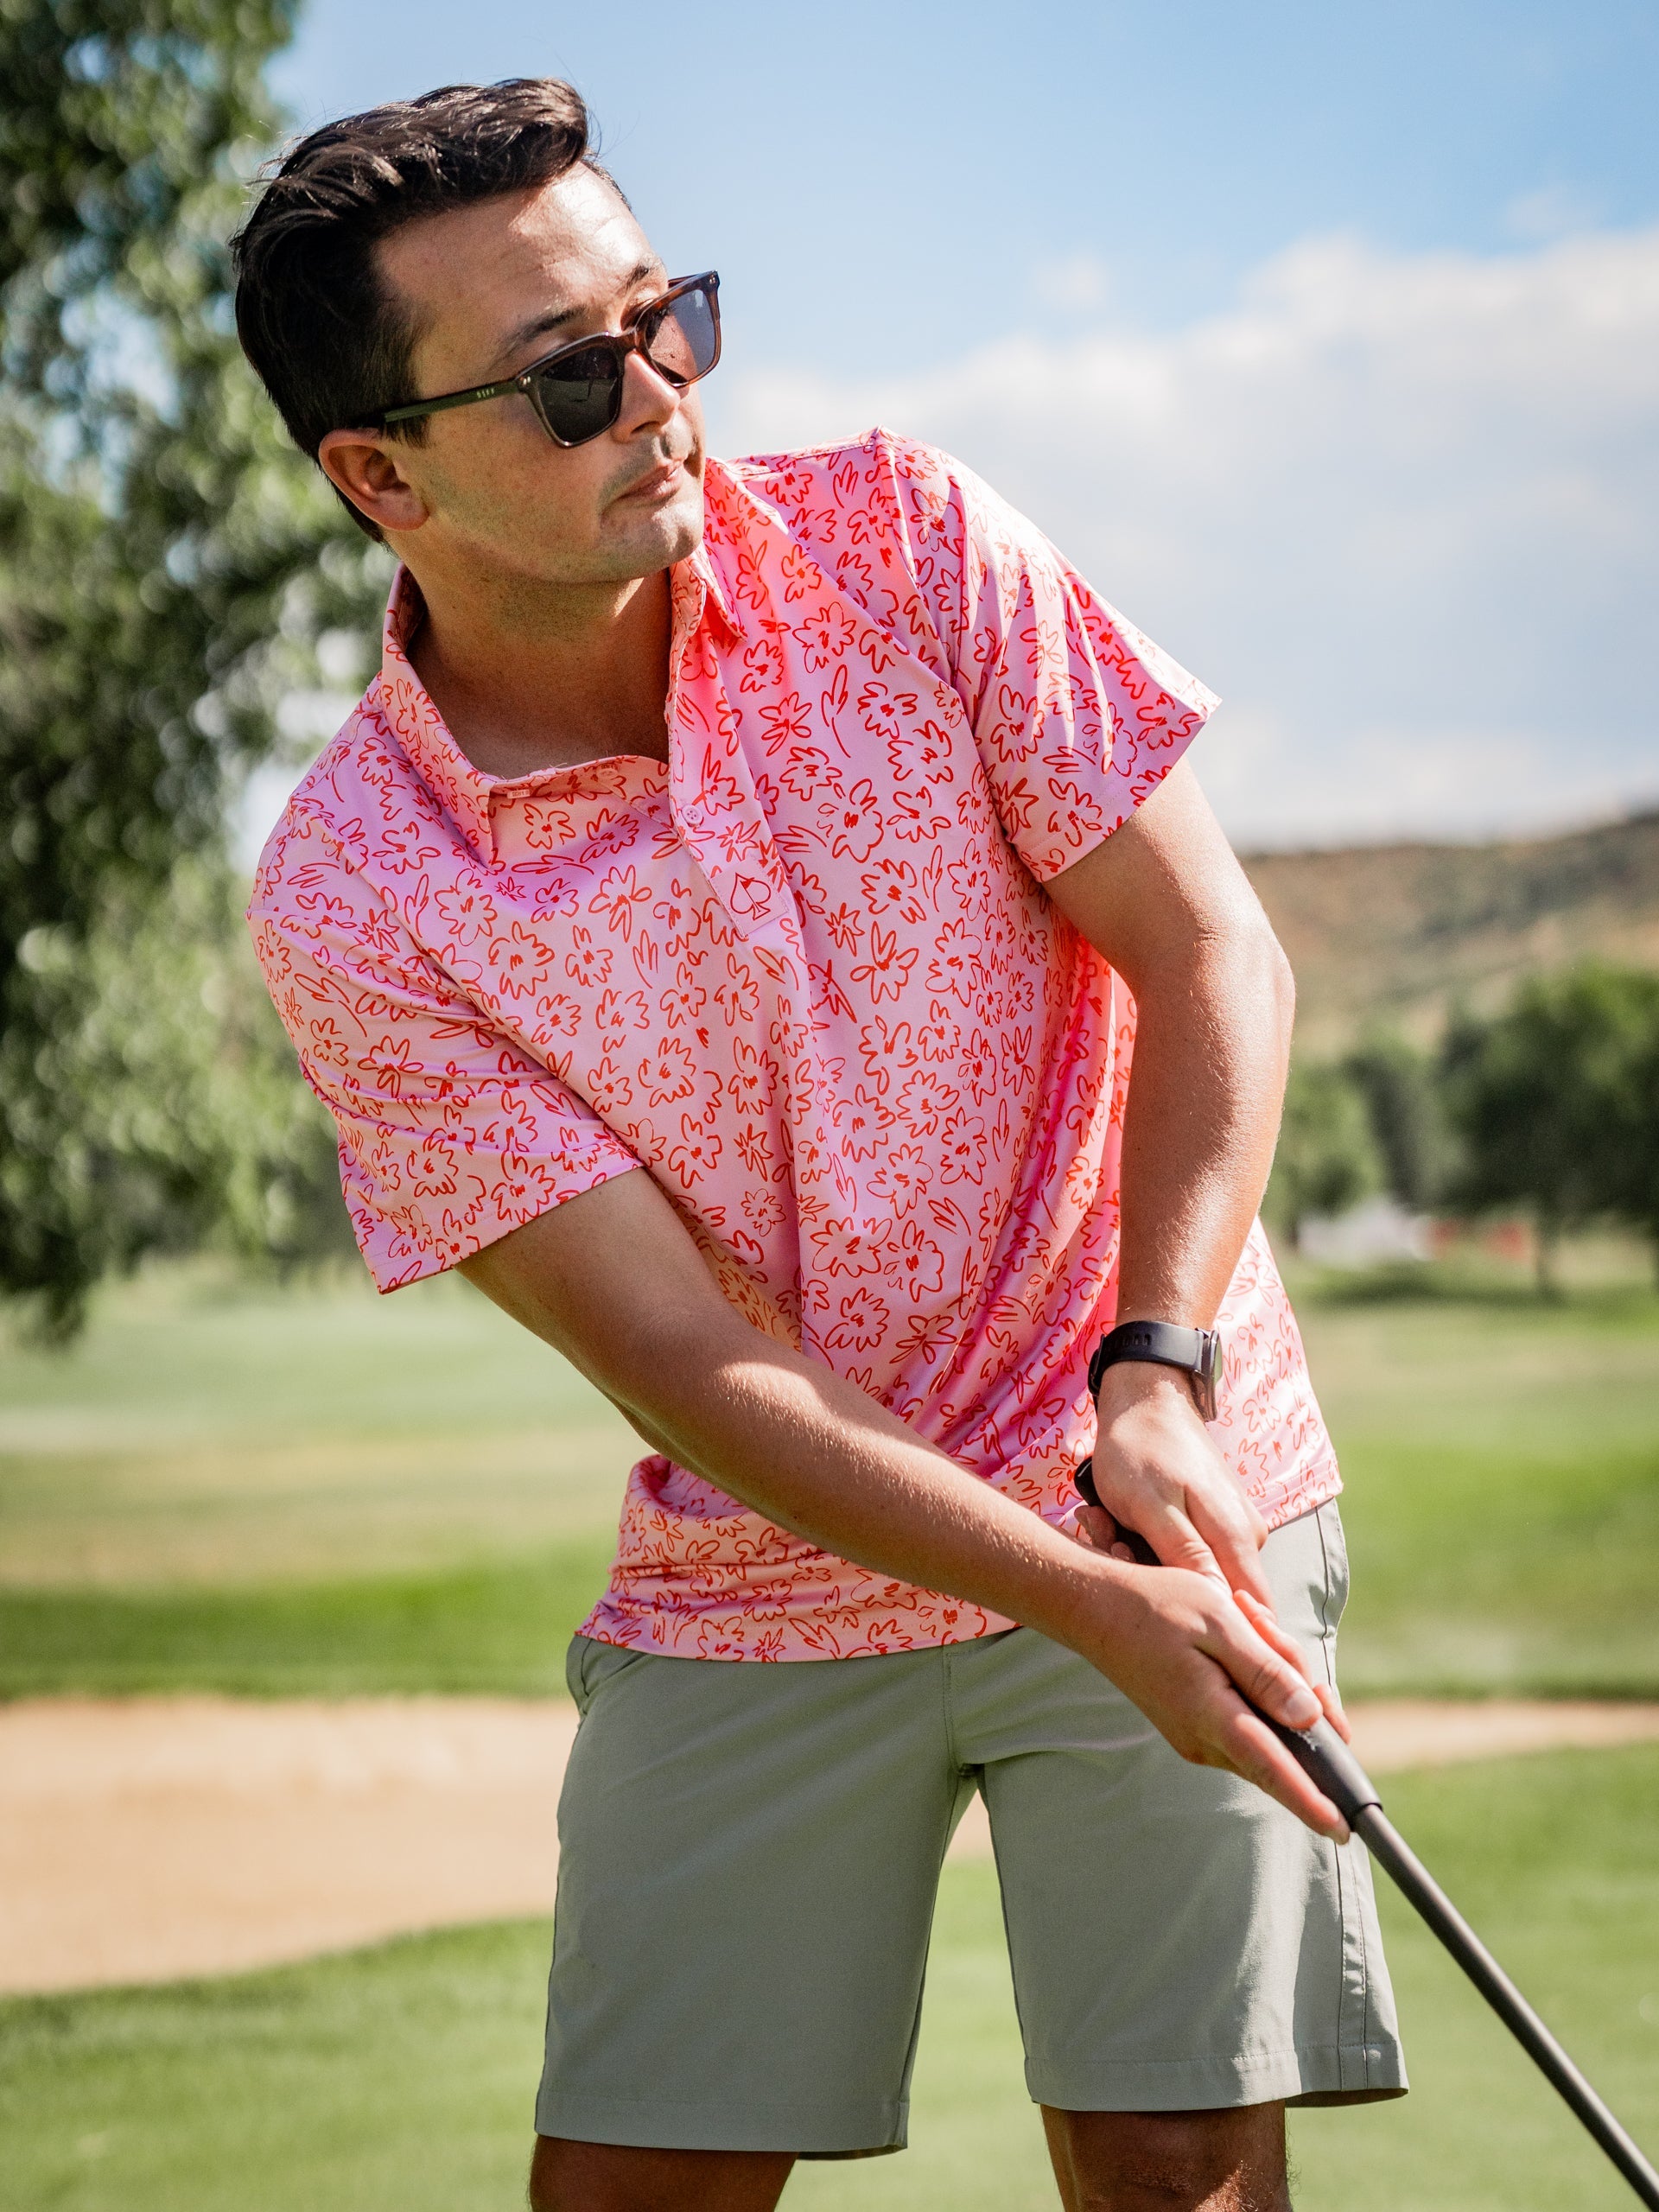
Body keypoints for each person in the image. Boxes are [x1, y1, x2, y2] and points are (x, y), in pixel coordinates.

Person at [232, 76, 1404, 2212]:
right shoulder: (356, 888)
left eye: (666, 317)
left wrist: (1159, 1370)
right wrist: (1066, 1595)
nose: (656, 394)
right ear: (379, 473)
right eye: (569, 376)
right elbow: (681, 1356)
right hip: (761, 1563)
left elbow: (1210, 946)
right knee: (635, 2187)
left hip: (1150, 1454)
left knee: (1173, 2163)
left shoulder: (908, 542)